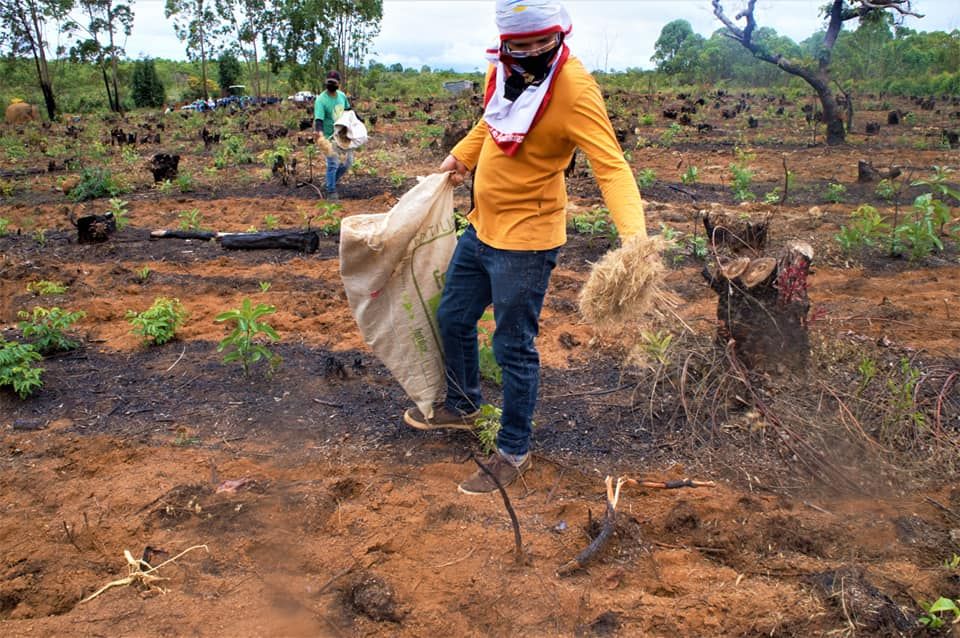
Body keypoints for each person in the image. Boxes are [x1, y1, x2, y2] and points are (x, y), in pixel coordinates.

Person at [402, 0, 649, 495]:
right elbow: (489, 126)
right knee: (452, 316)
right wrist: (453, 163)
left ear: (559, 35)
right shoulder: (502, 72)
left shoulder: (573, 88)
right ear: (505, 44)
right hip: (482, 227)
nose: (535, 51)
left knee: (513, 346)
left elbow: (610, 165)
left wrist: (635, 240)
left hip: (527, 243)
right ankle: (467, 407)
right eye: (523, 44)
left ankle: (514, 450)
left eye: (544, 42)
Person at [314, 70, 352, 200]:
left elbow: (349, 111)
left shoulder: (342, 96)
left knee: (347, 163)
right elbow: (318, 120)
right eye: (329, 82)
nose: (331, 84)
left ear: (338, 84)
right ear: (326, 83)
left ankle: (330, 182)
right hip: (329, 137)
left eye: (333, 83)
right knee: (333, 164)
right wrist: (320, 134)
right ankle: (331, 191)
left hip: (343, 135)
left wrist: (359, 121)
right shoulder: (321, 100)